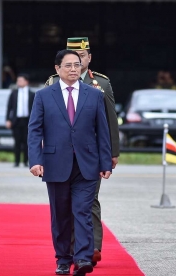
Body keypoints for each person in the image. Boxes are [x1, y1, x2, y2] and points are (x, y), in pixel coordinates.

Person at [28, 49, 112, 276]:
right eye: (68, 65)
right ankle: (64, 258)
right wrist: (35, 160)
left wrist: (106, 163)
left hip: (87, 164)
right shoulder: (44, 96)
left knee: (82, 211)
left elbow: (103, 132)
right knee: (61, 214)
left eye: (77, 65)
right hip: (56, 163)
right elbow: (35, 130)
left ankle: (83, 258)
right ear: (57, 69)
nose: (74, 69)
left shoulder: (94, 95)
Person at [44, 37, 118, 264]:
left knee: (88, 202)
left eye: (82, 57)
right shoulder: (53, 83)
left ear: (89, 57)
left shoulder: (101, 85)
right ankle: (74, 249)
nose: (78, 62)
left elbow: (110, 122)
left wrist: (112, 153)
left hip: (91, 154)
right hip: (63, 155)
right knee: (65, 204)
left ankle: (92, 247)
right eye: (73, 58)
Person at [5, 73, 35, 167]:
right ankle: (16, 161)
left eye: (21, 80)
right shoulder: (13, 93)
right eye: (18, 81)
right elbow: (9, 108)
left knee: (27, 142)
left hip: (28, 121)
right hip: (16, 121)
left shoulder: (32, 94)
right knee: (17, 142)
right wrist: (8, 120)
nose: (19, 82)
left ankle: (26, 161)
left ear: (26, 81)